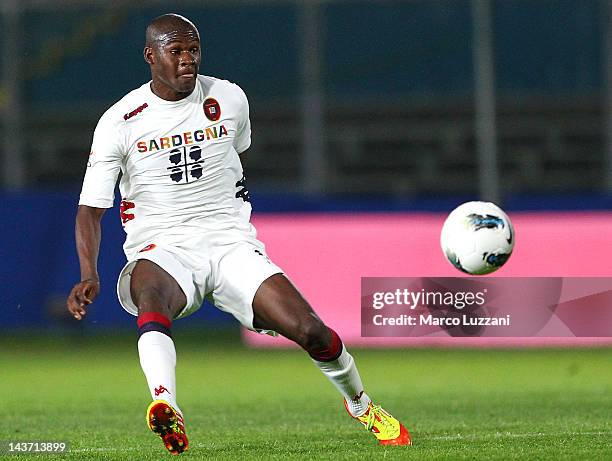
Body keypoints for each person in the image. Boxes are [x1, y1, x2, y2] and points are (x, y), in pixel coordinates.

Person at [66, 13, 411, 455]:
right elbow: (90, 211)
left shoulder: (229, 97)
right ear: (151, 56)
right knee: (150, 292)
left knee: (312, 332)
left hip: (230, 241)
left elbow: (236, 153)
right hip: (164, 245)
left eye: (193, 50)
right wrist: (88, 274)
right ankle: (165, 404)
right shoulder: (120, 120)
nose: (187, 60)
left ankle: (361, 405)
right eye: (176, 51)